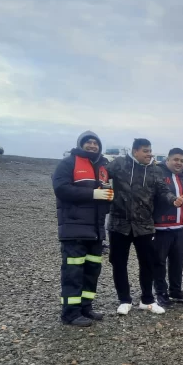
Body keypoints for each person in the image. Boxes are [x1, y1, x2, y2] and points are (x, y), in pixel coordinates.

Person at [106, 138, 183, 315]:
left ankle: (147, 300)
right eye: (145, 151)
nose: (149, 154)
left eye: (150, 150)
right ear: (135, 151)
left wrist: (174, 199)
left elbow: (163, 190)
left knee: (148, 262)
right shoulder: (119, 164)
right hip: (119, 224)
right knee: (119, 262)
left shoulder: (154, 170)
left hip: (144, 225)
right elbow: (101, 176)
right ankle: (124, 300)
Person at [52, 131, 113, 327]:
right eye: (88, 142)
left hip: (95, 230)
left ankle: (86, 307)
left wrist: (107, 199)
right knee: (73, 271)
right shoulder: (68, 163)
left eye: (96, 143)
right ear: (80, 145)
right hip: (74, 228)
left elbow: (104, 195)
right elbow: (61, 188)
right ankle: (70, 313)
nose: (92, 145)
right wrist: (93, 194)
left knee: (92, 269)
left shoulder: (103, 168)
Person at [152, 148, 183, 307]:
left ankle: (176, 291)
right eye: (176, 159)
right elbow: (158, 195)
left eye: (182, 160)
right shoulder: (158, 174)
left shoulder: (182, 177)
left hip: (180, 227)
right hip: (161, 227)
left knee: (178, 261)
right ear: (167, 160)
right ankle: (161, 293)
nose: (179, 163)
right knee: (159, 262)